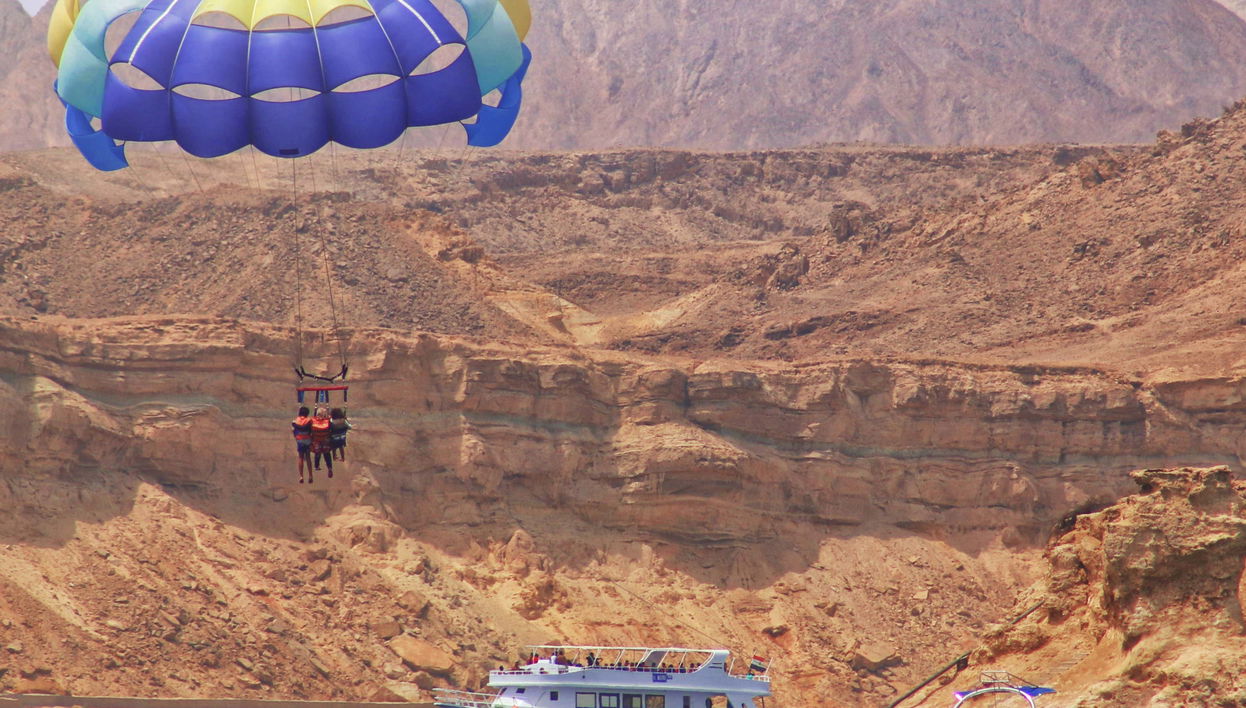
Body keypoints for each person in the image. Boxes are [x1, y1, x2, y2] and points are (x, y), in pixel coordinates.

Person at [310, 406, 334, 478]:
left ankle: (317, 466)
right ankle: (329, 467)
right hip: (325, 440)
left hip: (316, 440)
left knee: (317, 453)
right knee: (327, 454)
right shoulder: (328, 421)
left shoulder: (313, 421)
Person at [292, 406, 313, 483]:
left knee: (300, 457)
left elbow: (294, 430)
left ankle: (301, 476)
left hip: (300, 440)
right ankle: (310, 475)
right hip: (307, 440)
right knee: (308, 458)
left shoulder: (295, 421)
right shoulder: (309, 420)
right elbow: (312, 429)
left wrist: (296, 437)